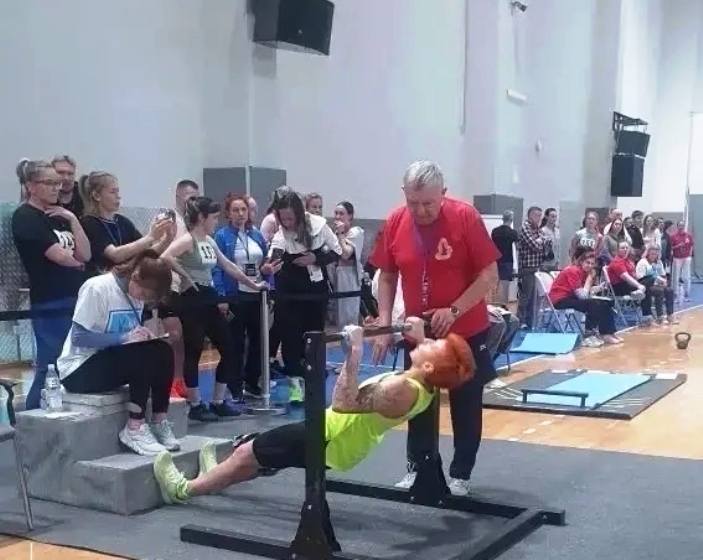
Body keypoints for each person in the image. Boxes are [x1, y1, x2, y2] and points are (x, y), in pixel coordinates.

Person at [152, 317, 474, 503]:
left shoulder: (400, 390)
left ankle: (182, 490)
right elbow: (427, 358)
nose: (431, 341)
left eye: (435, 345)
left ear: (429, 364)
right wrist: (420, 337)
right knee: (257, 453)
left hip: (330, 438)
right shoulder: (425, 385)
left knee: (249, 452)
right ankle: (213, 478)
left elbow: (343, 403)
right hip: (335, 437)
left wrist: (354, 353)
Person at [369, 160, 500, 497]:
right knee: (418, 401)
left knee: (465, 403)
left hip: (465, 330)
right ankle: (419, 467)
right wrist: (384, 322)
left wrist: (454, 310)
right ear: (404, 194)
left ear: (443, 193)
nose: (420, 210)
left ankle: (460, 474)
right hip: (417, 331)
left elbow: (489, 275)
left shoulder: (466, 217)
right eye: (413, 202)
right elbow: (387, 276)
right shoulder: (396, 220)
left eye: (428, 203)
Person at [56, 251, 179, 456]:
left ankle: (159, 420)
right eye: (145, 294)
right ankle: (135, 427)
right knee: (140, 353)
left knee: (163, 350)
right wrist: (124, 338)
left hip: (111, 361)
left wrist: (141, 335)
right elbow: (79, 337)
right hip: (78, 369)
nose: (143, 299)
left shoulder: (136, 293)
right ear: (135, 276)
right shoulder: (97, 288)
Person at [162, 197, 267, 422]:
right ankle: (195, 403)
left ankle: (218, 401)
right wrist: (185, 276)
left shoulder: (208, 240)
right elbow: (165, 257)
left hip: (208, 296)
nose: (216, 221)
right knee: (194, 350)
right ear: (202, 218)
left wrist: (253, 284)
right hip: (192, 299)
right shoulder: (188, 239)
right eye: (213, 217)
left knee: (229, 347)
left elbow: (228, 265)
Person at [12, 159, 91, 409]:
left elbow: (86, 254)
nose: (56, 188)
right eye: (49, 183)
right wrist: (78, 263)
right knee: (50, 363)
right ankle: (32, 415)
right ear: (30, 186)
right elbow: (60, 256)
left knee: (74, 360)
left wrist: (73, 219)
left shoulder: (60, 216)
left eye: (58, 183)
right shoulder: (25, 216)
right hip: (50, 300)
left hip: (75, 295)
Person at [265, 189, 342, 401]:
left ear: (299, 214)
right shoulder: (281, 235)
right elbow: (274, 256)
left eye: (290, 218)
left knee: (314, 338)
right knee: (290, 339)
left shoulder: (319, 226)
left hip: (315, 291)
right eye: (283, 219)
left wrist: (315, 258)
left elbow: (336, 252)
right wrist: (268, 267)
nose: (287, 223)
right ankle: (294, 386)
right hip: (289, 292)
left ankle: (313, 382)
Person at [213, 192, 278, 398]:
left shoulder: (257, 235)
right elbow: (217, 268)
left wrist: (268, 279)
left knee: (259, 341)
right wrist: (221, 296)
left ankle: (252, 381)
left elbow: (265, 264)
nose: (240, 214)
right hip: (235, 295)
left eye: (243, 209)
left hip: (257, 294)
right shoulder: (221, 236)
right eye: (235, 210)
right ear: (228, 213)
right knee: (236, 343)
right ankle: (234, 385)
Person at [78, 171, 174, 276]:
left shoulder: (122, 221)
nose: (118, 196)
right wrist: (150, 237)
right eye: (113, 192)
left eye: (118, 191)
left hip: (125, 278)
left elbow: (147, 254)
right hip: (102, 279)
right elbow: (115, 255)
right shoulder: (89, 222)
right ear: (97, 196)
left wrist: (168, 239)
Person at [548, 249, 620, 346]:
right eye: (587, 262)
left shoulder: (584, 272)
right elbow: (582, 296)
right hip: (559, 300)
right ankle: (589, 335)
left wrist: (598, 288)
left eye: (592, 264)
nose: (590, 266)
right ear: (581, 261)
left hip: (572, 297)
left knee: (606, 302)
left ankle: (607, 333)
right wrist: (590, 279)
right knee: (593, 304)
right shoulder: (573, 271)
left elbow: (584, 291)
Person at [332, 201, 365, 326]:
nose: (338, 217)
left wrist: (340, 234)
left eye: (341, 213)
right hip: (337, 274)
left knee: (349, 315)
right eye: (336, 213)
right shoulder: (335, 234)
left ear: (350, 216)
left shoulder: (355, 232)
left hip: (349, 276)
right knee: (339, 317)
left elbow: (346, 254)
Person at [490, 210, 518, 305]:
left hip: (496, 259)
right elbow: (518, 247)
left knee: (495, 283)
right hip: (507, 260)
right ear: (511, 219)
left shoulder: (495, 231)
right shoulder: (513, 233)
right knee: (505, 283)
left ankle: (494, 304)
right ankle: (503, 304)